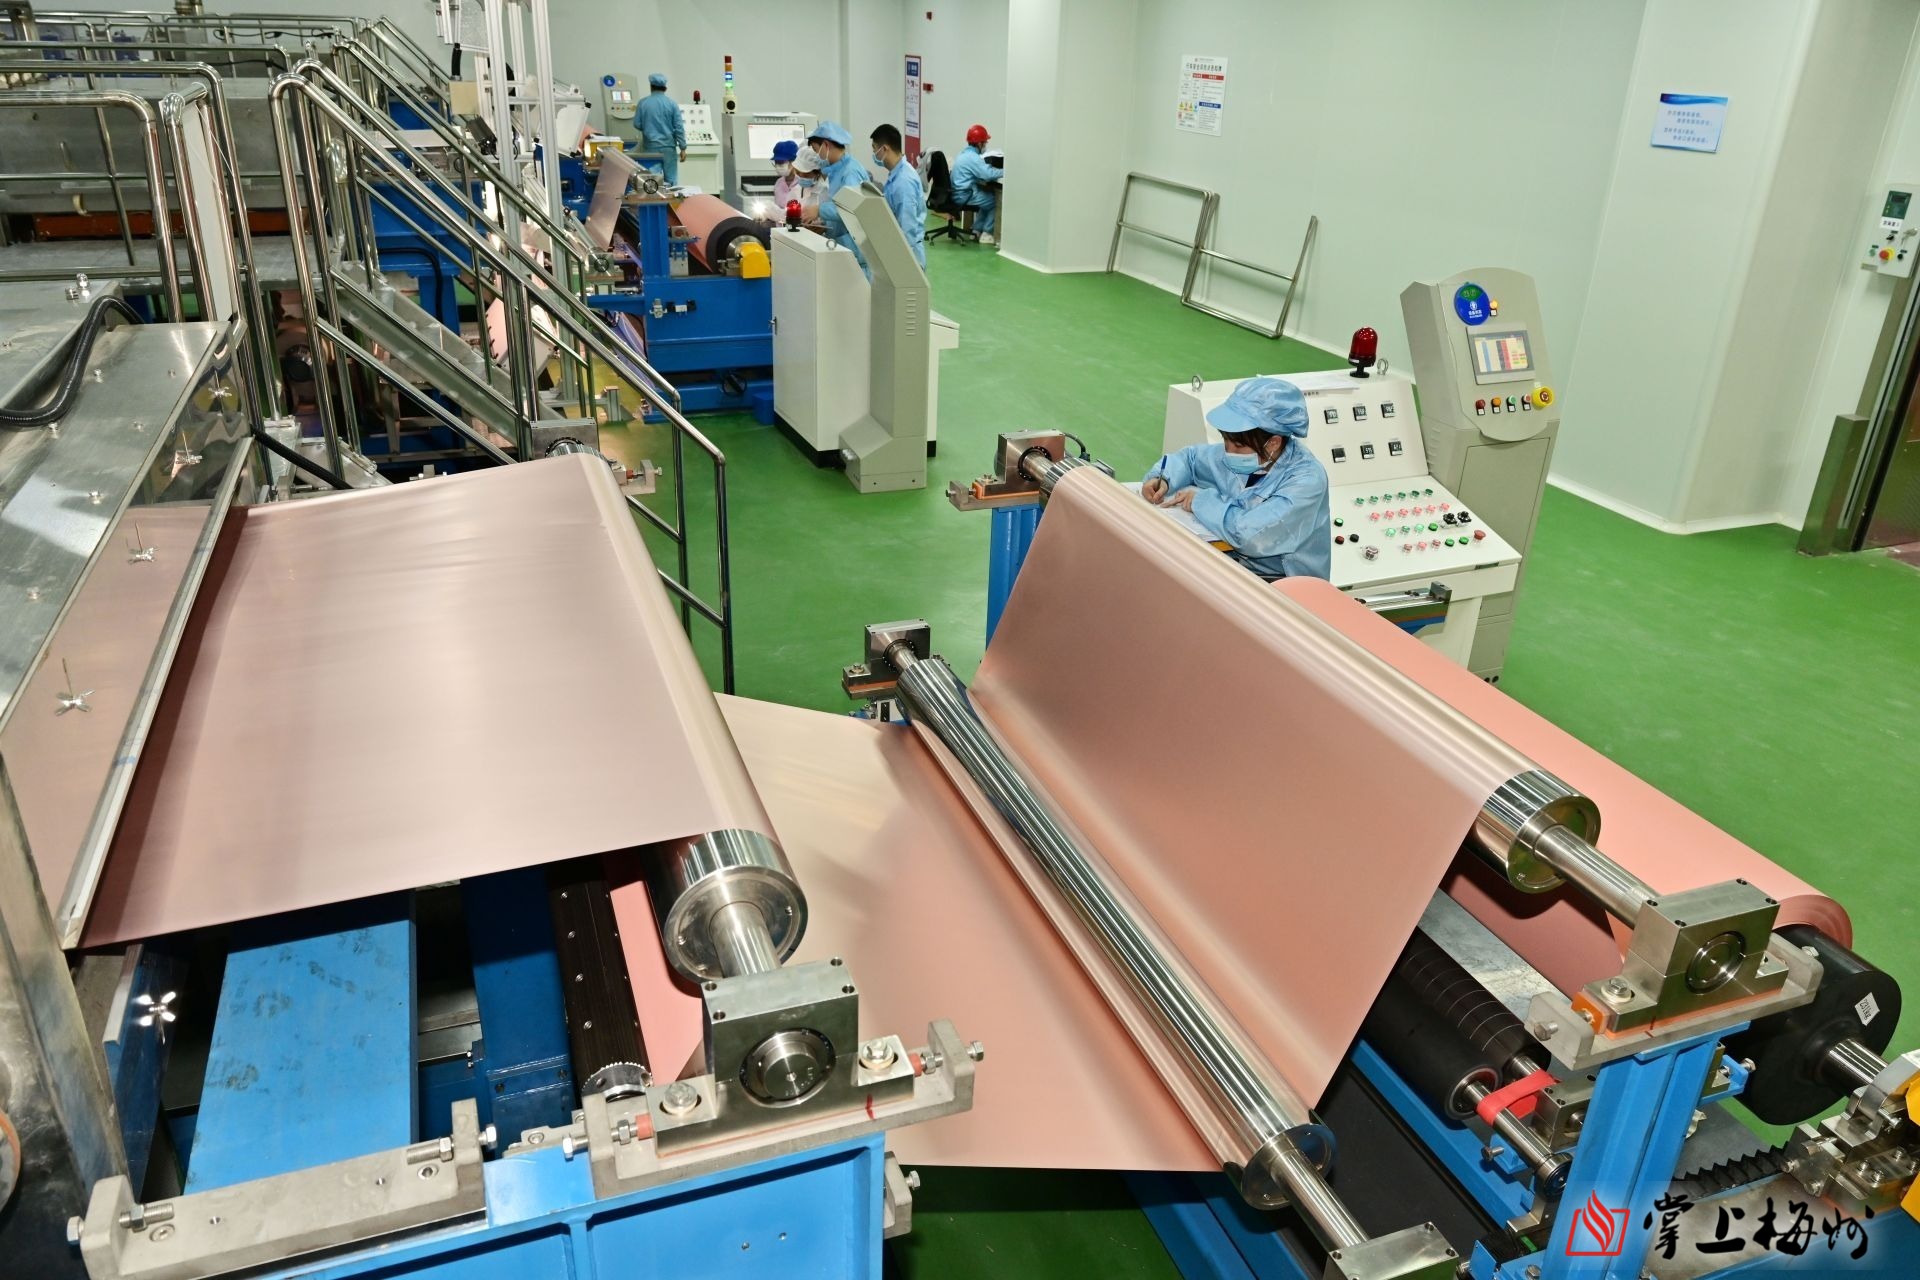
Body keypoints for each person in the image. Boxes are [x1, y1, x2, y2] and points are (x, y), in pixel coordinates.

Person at [1142, 377, 1330, 580]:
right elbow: (1190, 459)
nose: (1229, 452)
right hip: (1237, 564)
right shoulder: (1246, 454)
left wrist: (1202, 501)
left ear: (1273, 443)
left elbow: (1252, 536)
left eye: (1238, 446)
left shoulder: (1307, 480)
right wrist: (1163, 478)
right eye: (1226, 441)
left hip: (1282, 579)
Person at [807, 119, 871, 261]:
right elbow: (838, 207)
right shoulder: (837, 171)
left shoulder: (850, 172)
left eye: (816, 151)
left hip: (854, 248)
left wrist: (819, 210)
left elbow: (850, 208)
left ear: (826, 145)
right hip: (843, 243)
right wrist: (825, 226)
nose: (817, 156)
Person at [869, 123, 926, 269]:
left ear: (885, 149)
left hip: (908, 255)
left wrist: (903, 263)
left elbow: (907, 228)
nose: (874, 154)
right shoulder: (897, 174)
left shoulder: (903, 181)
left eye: (875, 149)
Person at [949, 123, 1003, 245]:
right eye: (985, 142)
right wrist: (1005, 171)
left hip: (957, 193)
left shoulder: (963, 154)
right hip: (964, 195)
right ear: (979, 143)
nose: (985, 145)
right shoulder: (973, 157)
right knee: (994, 201)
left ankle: (976, 231)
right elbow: (988, 174)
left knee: (986, 199)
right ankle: (987, 234)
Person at [633, 72, 686, 186]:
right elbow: (679, 128)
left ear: (651, 86)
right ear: (665, 87)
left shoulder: (643, 103)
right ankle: (671, 197)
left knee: (652, 181)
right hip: (669, 148)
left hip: (651, 148)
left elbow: (637, 124)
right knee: (671, 180)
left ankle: (654, 198)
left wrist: (648, 128)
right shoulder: (672, 104)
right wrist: (683, 147)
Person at [771, 138, 801, 207]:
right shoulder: (778, 183)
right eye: (776, 162)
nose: (778, 166)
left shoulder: (802, 183)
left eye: (781, 162)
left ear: (794, 162)